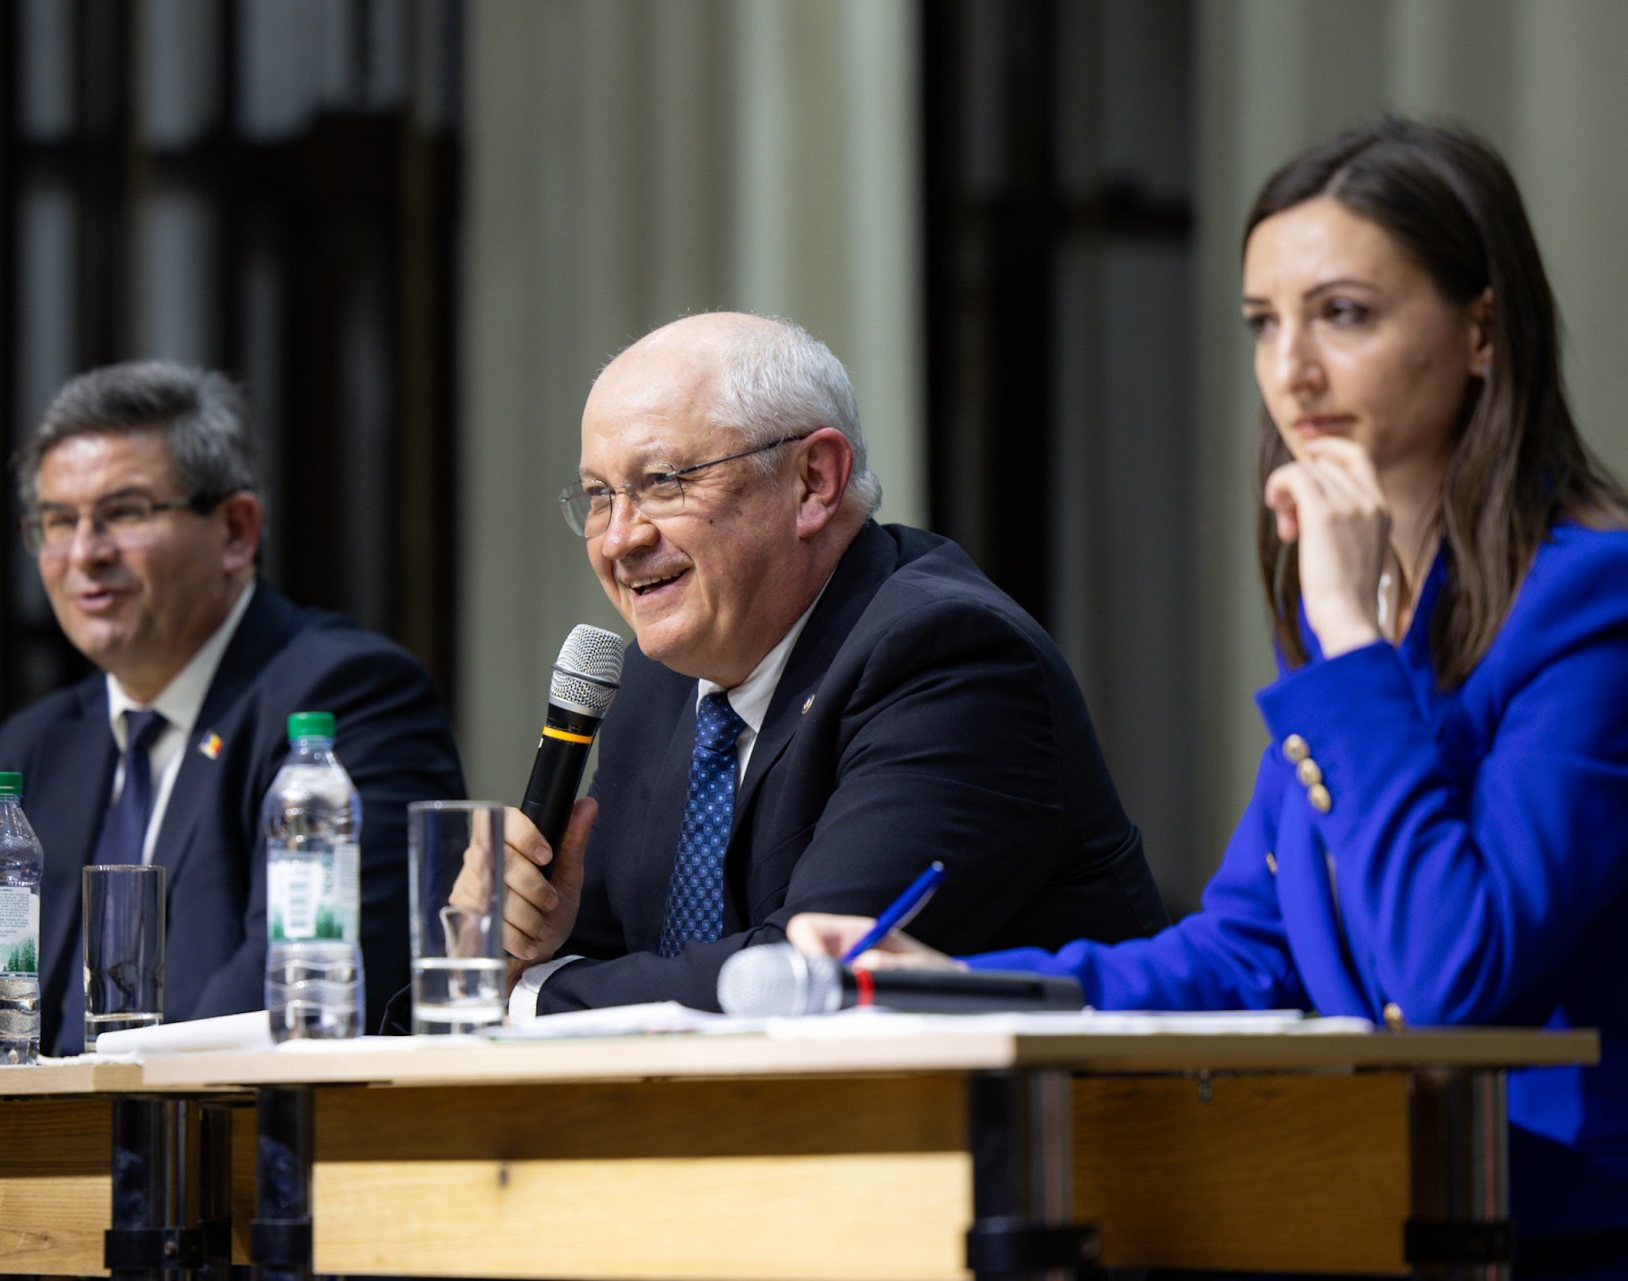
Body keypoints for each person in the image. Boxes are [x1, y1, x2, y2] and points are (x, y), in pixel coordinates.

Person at [788, 119, 1628, 1270]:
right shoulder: (1356, 602)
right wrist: (953, 984)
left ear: (1482, 328)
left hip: (1561, 1228)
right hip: (1365, 1201)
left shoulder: (1590, 602)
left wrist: (1348, 644)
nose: (1293, 371)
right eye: (1263, 323)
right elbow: (1247, 950)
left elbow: (1453, 982)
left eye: (1344, 314)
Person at [0, 360, 466, 1058]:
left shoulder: (346, 698)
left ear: (236, 531)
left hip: (230, 1148)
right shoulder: (44, 744)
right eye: (56, 521)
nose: (83, 553)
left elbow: (296, 997)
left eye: (125, 513)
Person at [496, 311, 1168, 1017]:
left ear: (813, 481)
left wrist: (526, 994)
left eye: (664, 481)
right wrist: (518, 939)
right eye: (599, 497)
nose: (619, 540)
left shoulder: (950, 657)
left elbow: (800, 983)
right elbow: (603, 957)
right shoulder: (654, 685)